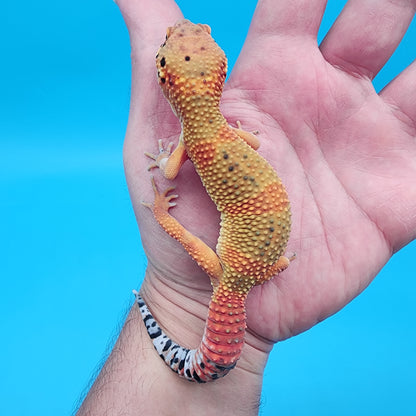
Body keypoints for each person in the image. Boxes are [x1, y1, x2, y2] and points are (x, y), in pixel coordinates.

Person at [76, 0, 416, 414]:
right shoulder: (219, 131)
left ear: (165, 80)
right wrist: (176, 297)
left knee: (197, 246)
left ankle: (170, 224)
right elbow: (250, 142)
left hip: (262, 259)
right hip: (263, 247)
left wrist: (163, 210)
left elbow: (167, 169)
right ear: (218, 73)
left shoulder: (194, 141)